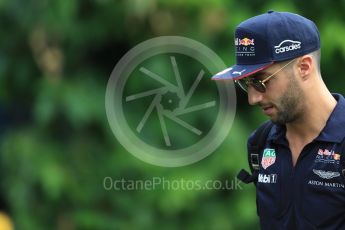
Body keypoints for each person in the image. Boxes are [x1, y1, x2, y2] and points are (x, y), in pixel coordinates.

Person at [212, 10, 345, 229]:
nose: (253, 98)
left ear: (304, 68)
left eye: (262, 82)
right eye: (246, 84)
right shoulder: (260, 143)